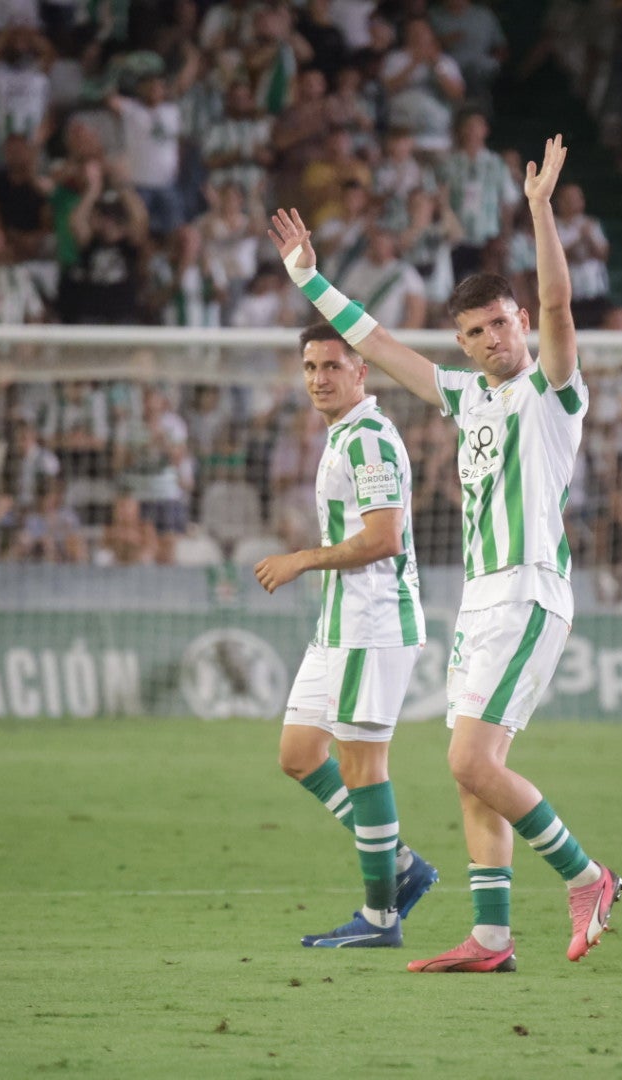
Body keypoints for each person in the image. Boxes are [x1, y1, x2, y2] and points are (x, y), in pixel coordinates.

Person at [267, 134, 622, 974]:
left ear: (521, 323)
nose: (493, 338)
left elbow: (565, 309)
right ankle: (492, 939)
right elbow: (381, 342)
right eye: (476, 330)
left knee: (469, 758)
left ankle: (588, 876)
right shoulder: (464, 395)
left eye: (503, 322)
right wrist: (307, 279)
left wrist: (538, 210)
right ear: (462, 343)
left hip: (531, 591)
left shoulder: (549, 393)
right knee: (471, 773)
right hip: (478, 600)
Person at [252, 324, 439, 949]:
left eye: (332, 365)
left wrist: (303, 558)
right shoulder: (342, 437)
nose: (319, 378)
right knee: (300, 753)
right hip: (338, 624)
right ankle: (402, 868)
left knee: (363, 767)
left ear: (362, 372)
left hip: (373, 624)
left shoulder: (370, 443)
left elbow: (385, 538)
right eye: (309, 367)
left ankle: (381, 920)